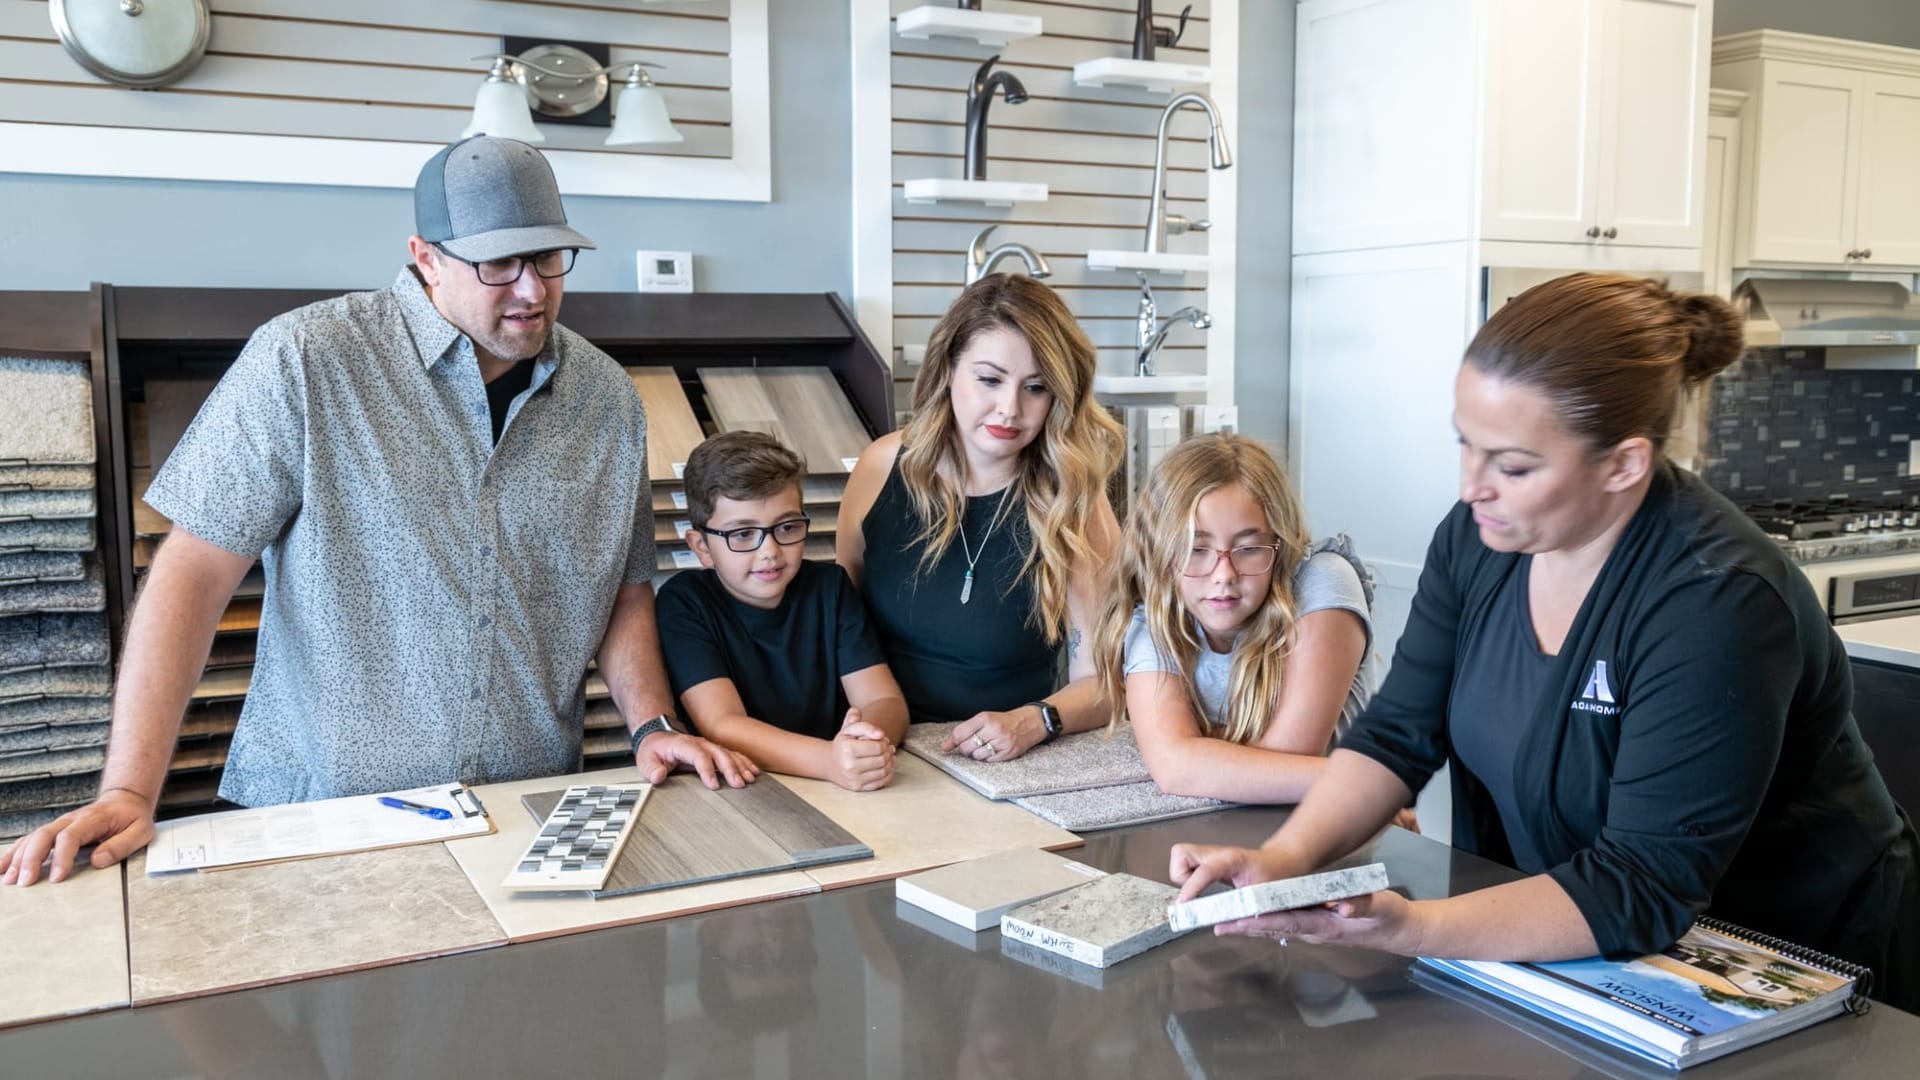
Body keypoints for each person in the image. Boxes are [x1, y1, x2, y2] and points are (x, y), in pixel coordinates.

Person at [2, 136, 753, 887]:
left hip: (520, 813)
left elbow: (621, 590)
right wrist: (131, 789)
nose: (531, 290)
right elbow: (192, 572)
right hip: (323, 820)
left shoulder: (606, 398)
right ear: (425, 256)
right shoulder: (306, 359)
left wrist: (651, 724)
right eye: (498, 264)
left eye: (549, 258)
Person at [1170, 273, 1919, 1012]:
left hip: (1786, 960)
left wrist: (1409, 927)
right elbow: (1400, 734)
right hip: (1589, 939)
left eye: (1514, 466)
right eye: (1467, 446)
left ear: (1624, 464)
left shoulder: (1715, 600)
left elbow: (1641, 885)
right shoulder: (1480, 538)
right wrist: (1284, 859)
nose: (1472, 487)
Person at [836, 274, 1122, 760]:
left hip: (1003, 760)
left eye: (1036, 387)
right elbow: (837, 619)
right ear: (949, 369)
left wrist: (1035, 720)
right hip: (877, 752)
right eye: (989, 380)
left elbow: (1103, 683)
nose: (1010, 409)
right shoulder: (882, 466)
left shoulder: (1074, 498)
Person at [1091, 433, 1373, 803]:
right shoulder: (1156, 617)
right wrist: (1364, 782)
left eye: (1249, 548)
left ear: (1281, 542)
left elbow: (1289, 758)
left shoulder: (1323, 580)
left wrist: (1201, 749)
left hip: (1331, 832)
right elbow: (1175, 766)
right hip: (1228, 829)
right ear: (1160, 551)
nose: (1224, 574)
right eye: (1196, 549)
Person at [656, 431, 908, 790]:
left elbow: (882, 698)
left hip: (837, 781)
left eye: (787, 527)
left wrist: (866, 743)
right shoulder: (684, 602)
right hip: (739, 788)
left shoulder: (831, 588)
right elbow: (722, 723)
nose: (770, 551)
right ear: (702, 547)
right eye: (742, 534)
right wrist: (829, 761)